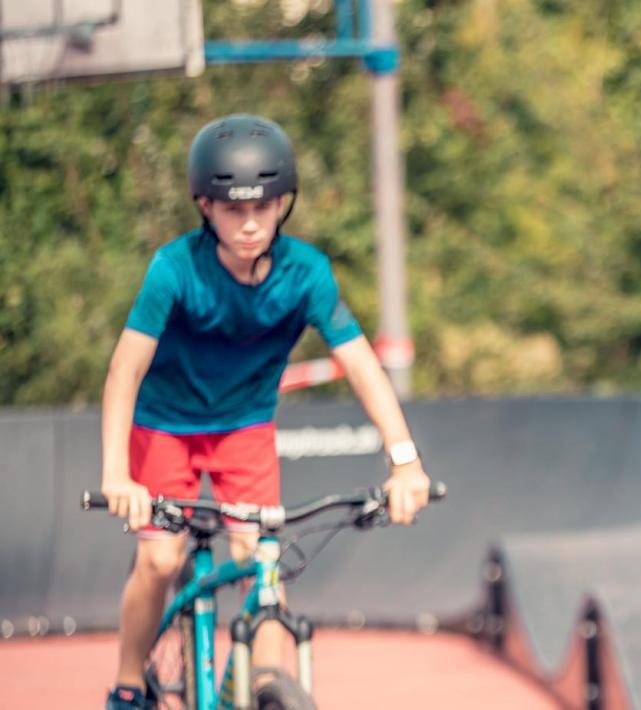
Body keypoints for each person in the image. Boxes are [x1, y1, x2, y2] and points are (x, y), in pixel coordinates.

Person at [98, 114, 431, 710]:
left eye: (265, 208)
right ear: (205, 205)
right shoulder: (173, 269)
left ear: (285, 204)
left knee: (263, 566)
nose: (250, 225)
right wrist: (116, 475)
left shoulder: (307, 274)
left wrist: (405, 461)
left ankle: (261, 691)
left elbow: (361, 366)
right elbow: (125, 370)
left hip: (244, 429)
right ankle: (127, 682)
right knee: (161, 557)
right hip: (164, 427)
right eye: (233, 210)